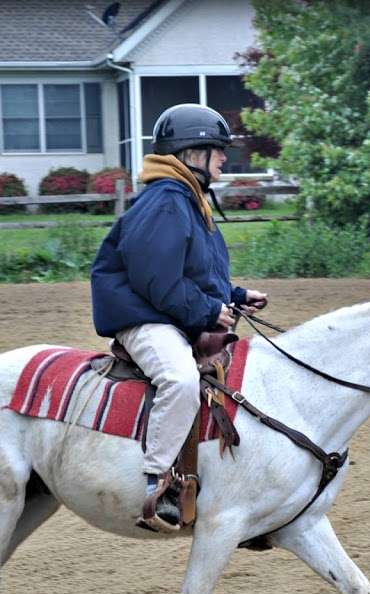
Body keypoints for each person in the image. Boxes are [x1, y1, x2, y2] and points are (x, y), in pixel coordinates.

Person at [90, 103, 267, 531]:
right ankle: (158, 482)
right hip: (144, 318)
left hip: (167, 312)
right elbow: (157, 280)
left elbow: (198, 272)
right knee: (181, 379)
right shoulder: (169, 199)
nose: (225, 158)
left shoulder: (186, 197)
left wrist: (235, 295)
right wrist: (209, 310)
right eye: (218, 150)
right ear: (194, 154)